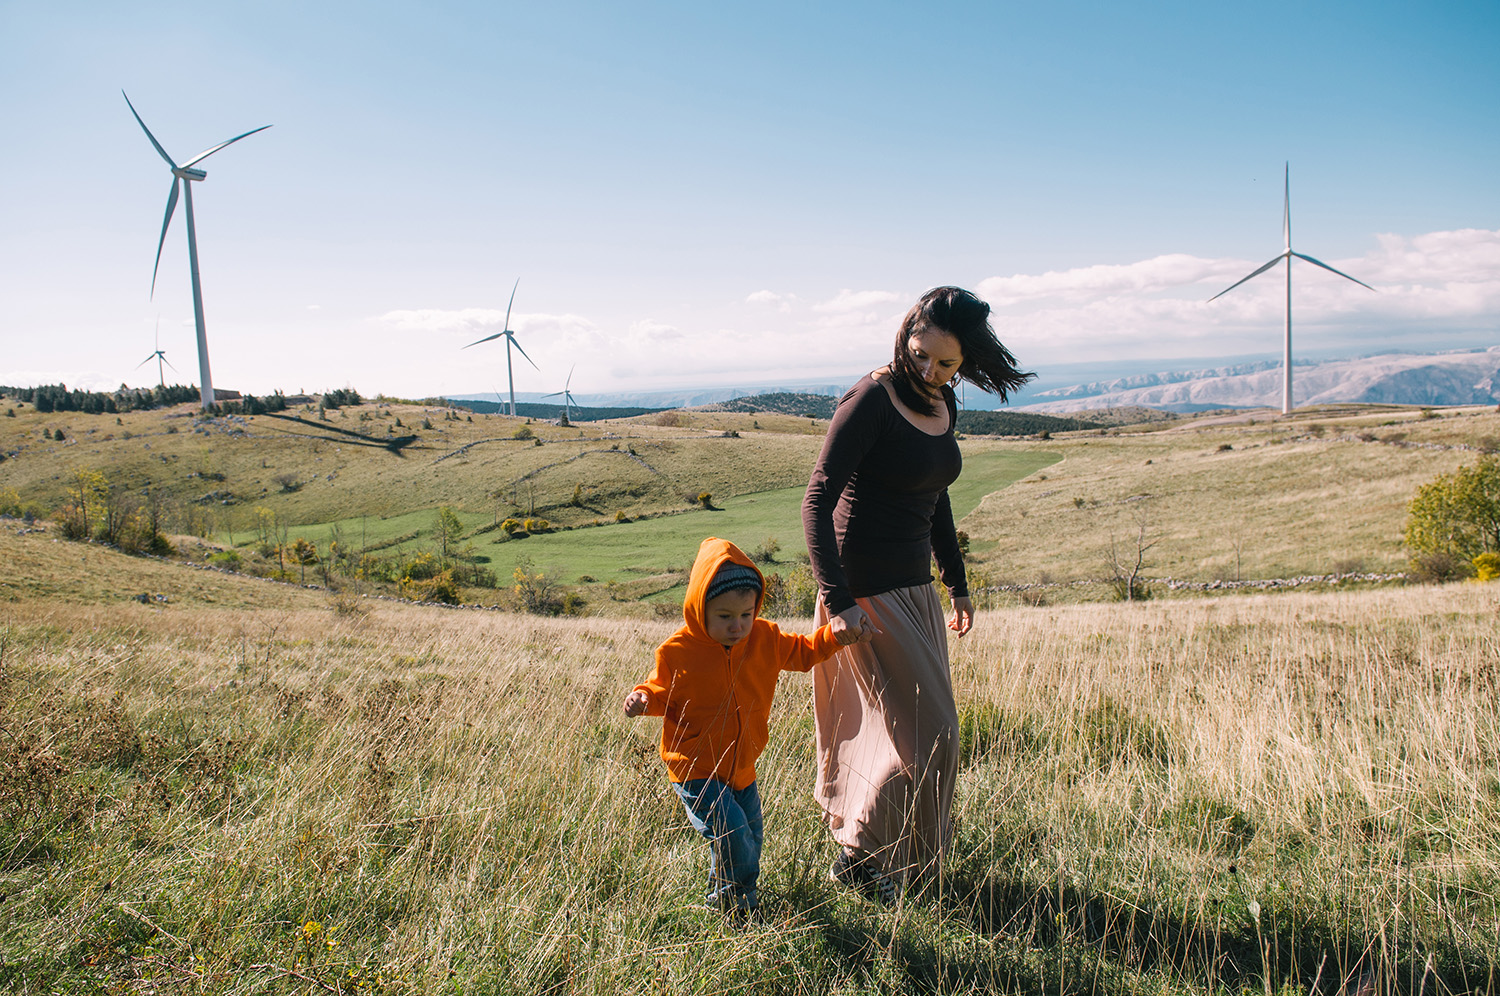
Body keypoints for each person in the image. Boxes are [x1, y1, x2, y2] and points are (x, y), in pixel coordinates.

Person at [802, 285, 1033, 902]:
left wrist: (955, 584)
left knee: (907, 734)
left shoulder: (941, 404)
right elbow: (817, 501)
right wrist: (840, 599)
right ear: (906, 333)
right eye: (920, 352)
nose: (928, 369)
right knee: (932, 735)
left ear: (965, 365)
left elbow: (935, 497)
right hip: (866, 593)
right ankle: (865, 860)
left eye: (946, 363)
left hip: (915, 590)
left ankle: (876, 862)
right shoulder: (871, 398)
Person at [623, 536, 849, 916]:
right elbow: (661, 691)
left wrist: (836, 635)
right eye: (725, 617)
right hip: (695, 767)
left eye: (746, 614)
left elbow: (805, 652)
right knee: (733, 835)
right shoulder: (678, 651)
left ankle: (727, 898)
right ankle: (736, 909)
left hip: (742, 765)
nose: (737, 626)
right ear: (700, 610)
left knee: (751, 838)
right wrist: (642, 699)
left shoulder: (765, 638)